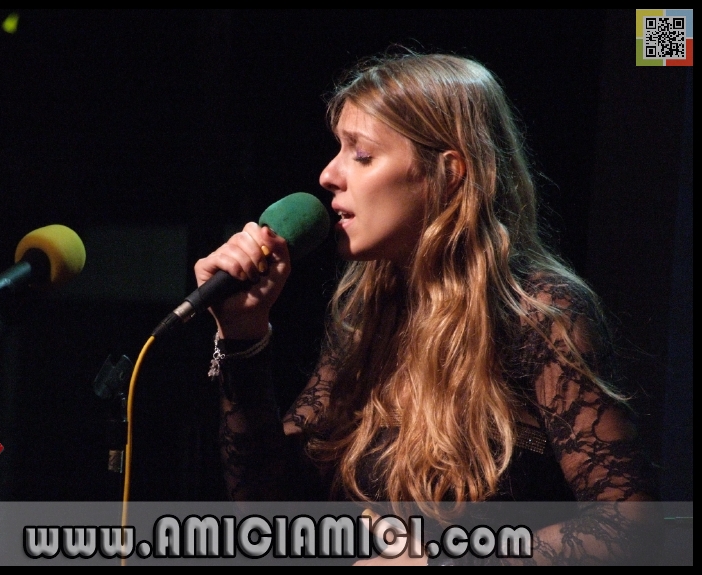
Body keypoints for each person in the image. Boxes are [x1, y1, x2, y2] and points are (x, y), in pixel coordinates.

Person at [193, 50, 658, 565]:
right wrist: (243, 335)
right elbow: (271, 514)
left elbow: (629, 528)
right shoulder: (368, 314)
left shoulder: (541, 313)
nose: (327, 175)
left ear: (448, 172)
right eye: (337, 151)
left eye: (361, 155)